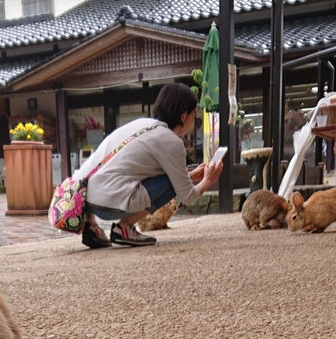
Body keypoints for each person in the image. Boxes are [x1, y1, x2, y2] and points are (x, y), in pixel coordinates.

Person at [77, 82, 225, 248]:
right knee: (171, 184)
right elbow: (187, 196)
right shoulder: (172, 141)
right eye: (193, 114)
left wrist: (189, 176)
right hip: (108, 205)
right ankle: (124, 228)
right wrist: (208, 180)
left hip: (85, 200)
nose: (194, 119)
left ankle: (91, 227)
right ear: (184, 116)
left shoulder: (142, 124)